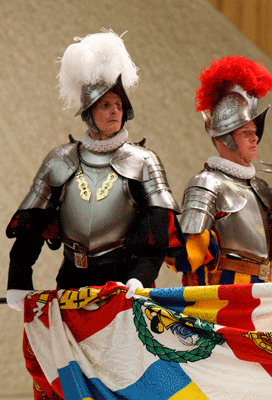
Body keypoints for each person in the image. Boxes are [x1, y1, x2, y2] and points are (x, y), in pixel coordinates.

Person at [5, 30, 182, 399]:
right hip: (71, 278)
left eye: (118, 104)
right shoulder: (60, 161)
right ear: (88, 112)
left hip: (120, 284)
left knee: (120, 374)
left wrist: (141, 278)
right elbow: (31, 225)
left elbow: (156, 230)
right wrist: (18, 280)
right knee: (69, 371)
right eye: (105, 105)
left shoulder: (143, 162)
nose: (114, 110)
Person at [168, 55, 272, 286]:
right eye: (245, 132)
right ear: (225, 138)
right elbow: (189, 258)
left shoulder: (262, 189)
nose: (255, 137)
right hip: (223, 292)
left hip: (261, 291)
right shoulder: (206, 184)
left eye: (255, 130)